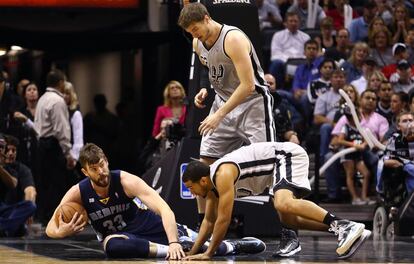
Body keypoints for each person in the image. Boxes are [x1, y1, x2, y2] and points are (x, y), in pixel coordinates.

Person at [178, 1, 281, 255]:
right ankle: (202, 227)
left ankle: (288, 231)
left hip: (252, 104)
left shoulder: (233, 38)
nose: (194, 34)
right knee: (205, 166)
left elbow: (247, 85)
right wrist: (204, 88)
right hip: (224, 102)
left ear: (207, 18)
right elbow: (206, 67)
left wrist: (218, 116)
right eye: (190, 31)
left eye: (195, 28)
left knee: (271, 168)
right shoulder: (197, 42)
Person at [45, 143, 265, 259]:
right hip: (122, 237)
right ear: (85, 172)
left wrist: (174, 242)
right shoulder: (78, 192)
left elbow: (164, 209)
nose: (101, 171)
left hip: (148, 225)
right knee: (112, 247)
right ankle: (168, 252)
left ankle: (232, 247)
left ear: (106, 161)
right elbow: (50, 227)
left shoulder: (124, 180)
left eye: (102, 164)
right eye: (94, 169)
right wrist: (61, 232)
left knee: (199, 248)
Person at [182, 142, 371, 260]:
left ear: (203, 180)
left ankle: (343, 226)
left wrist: (208, 254)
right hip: (274, 171)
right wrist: (192, 254)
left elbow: (223, 220)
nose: (192, 193)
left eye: (191, 187)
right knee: (289, 220)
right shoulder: (212, 189)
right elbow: (208, 222)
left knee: (283, 202)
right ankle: (347, 227)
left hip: (285, 156)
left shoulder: (221, 174)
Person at [34, 69, 76, 225]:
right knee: (56, 183)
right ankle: (56, 217)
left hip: (41, 145)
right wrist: (68, 153)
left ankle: (45, 216)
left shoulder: (42, 99)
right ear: (60, 83)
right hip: (53, 146)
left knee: (45, 183)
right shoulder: (57, 101)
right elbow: (61, 129)